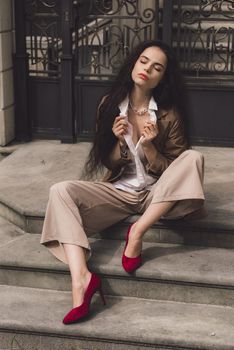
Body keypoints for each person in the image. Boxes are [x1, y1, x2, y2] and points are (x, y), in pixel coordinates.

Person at [40, 40, 205, 325]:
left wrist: (152, 148)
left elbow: (176, 169)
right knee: (60, 190)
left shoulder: (170, 115)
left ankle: (138, 231)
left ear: (162, 77)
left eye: (157, 68)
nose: (147, 70)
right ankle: (82, 279)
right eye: (144, 61)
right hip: (120, 192)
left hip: (159, 195)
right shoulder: (109, 105)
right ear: (133, 62)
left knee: (193, 158)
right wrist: (120, 142)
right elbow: (108, 162)